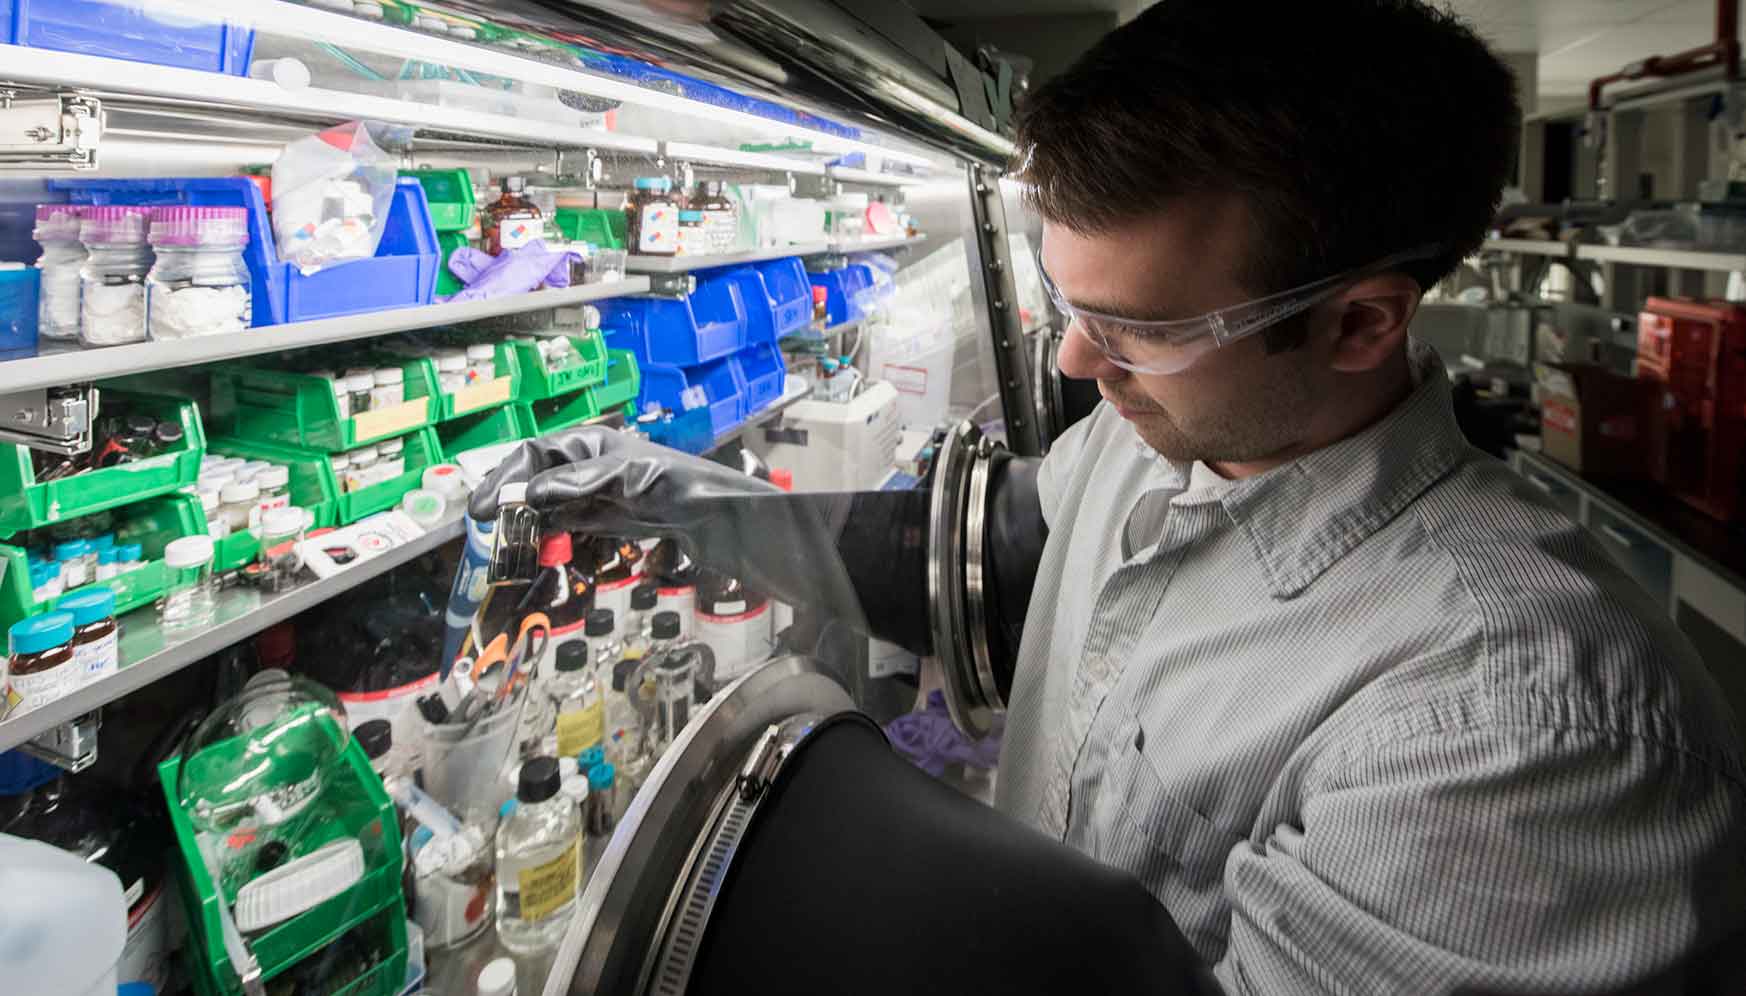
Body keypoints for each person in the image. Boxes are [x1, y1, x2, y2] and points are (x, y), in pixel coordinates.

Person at [474, 1, 1746, 991]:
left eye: (1133, 328)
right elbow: (969, 555)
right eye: (1068, 306)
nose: (1078, 364)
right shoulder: (1159, 442)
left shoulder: (1513, 727)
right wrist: (664, 503)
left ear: (1361, 321)